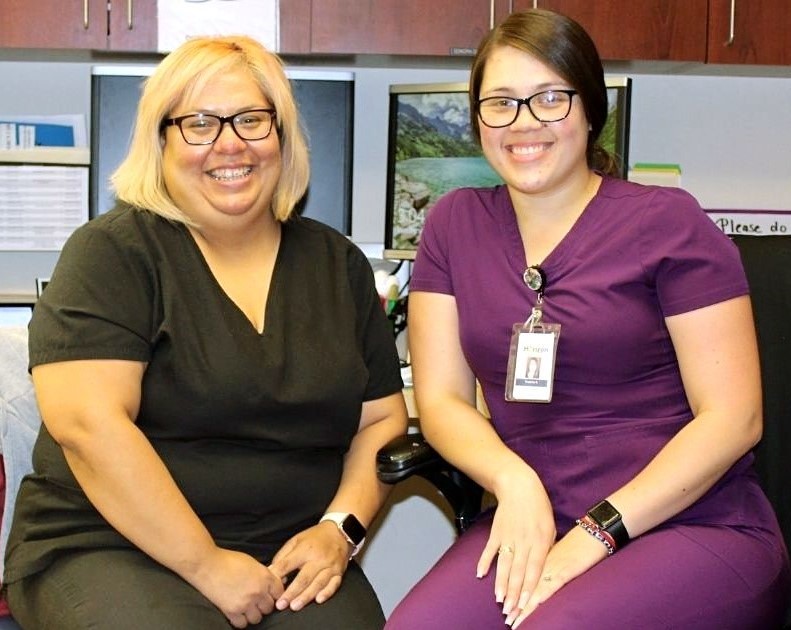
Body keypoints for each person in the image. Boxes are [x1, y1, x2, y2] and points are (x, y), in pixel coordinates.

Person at [386, 9, 790, 630]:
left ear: (590, 107)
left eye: (550, 98)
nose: (525, 123)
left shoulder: (669, 224)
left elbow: (736, 418)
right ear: (477, 119)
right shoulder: (453, 225)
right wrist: (514, 482)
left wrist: (597, 532)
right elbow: (441, 400)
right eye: (501, 102)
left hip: (690, 522)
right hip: (536, 517)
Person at [3, 35, 408, 630]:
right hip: (110, 546)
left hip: (287, 552)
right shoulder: (114, 253)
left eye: (251, 119)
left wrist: (338, 530)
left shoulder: (338, 266)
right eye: (199, 123)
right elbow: (88, 426)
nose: (229, 143)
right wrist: (208, 565)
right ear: (162, 140)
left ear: (281, 136)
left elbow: (381, 421)